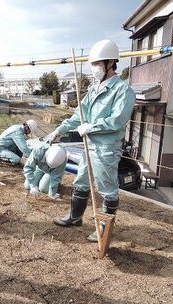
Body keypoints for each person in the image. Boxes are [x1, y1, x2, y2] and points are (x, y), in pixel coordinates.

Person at [51, 40, 135, 242]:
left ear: (110, 63)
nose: (95, 68)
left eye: (98, 64)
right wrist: (59, 130)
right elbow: (79, 114)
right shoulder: (93, 89)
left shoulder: (123, 91)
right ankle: (75, 217)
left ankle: (104, 230)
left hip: (106, 147)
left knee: (107, 188)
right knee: (80, 181)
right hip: (89, 146)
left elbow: (117, 120)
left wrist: (91, 126)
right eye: (93, 64)